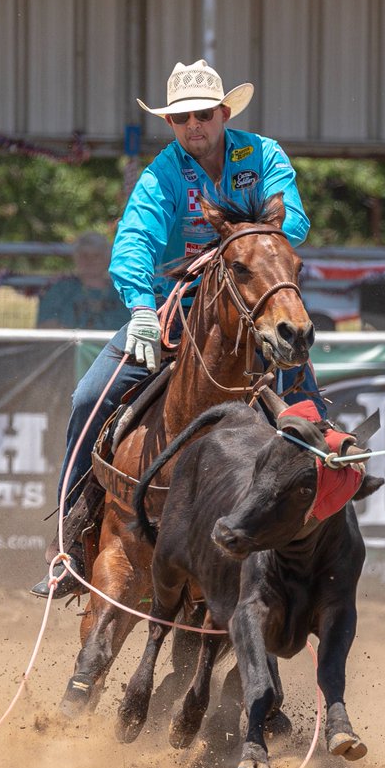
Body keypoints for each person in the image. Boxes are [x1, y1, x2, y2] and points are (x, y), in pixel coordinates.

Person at [32, 57, 324, 597]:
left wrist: (241, 229)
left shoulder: (263, 155)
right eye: (180, 118)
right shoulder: (162, 173)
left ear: (222, 112)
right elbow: (134, 242)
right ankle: (69, 545)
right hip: (175, 310)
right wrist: (142, 308)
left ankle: (310, 537)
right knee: (87, 397)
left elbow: (295, 223)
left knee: (309, 409)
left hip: (250, 305)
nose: (193, 126)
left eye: (203, 115)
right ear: (171, 123)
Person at [36, 231, 128, 331]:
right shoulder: (60, 289)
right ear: (76, 258)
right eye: (84, 255)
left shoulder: (121, 291)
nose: (90, 261)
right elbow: (46, 326)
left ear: (107, 258)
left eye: (96, 256)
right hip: (71, 345)